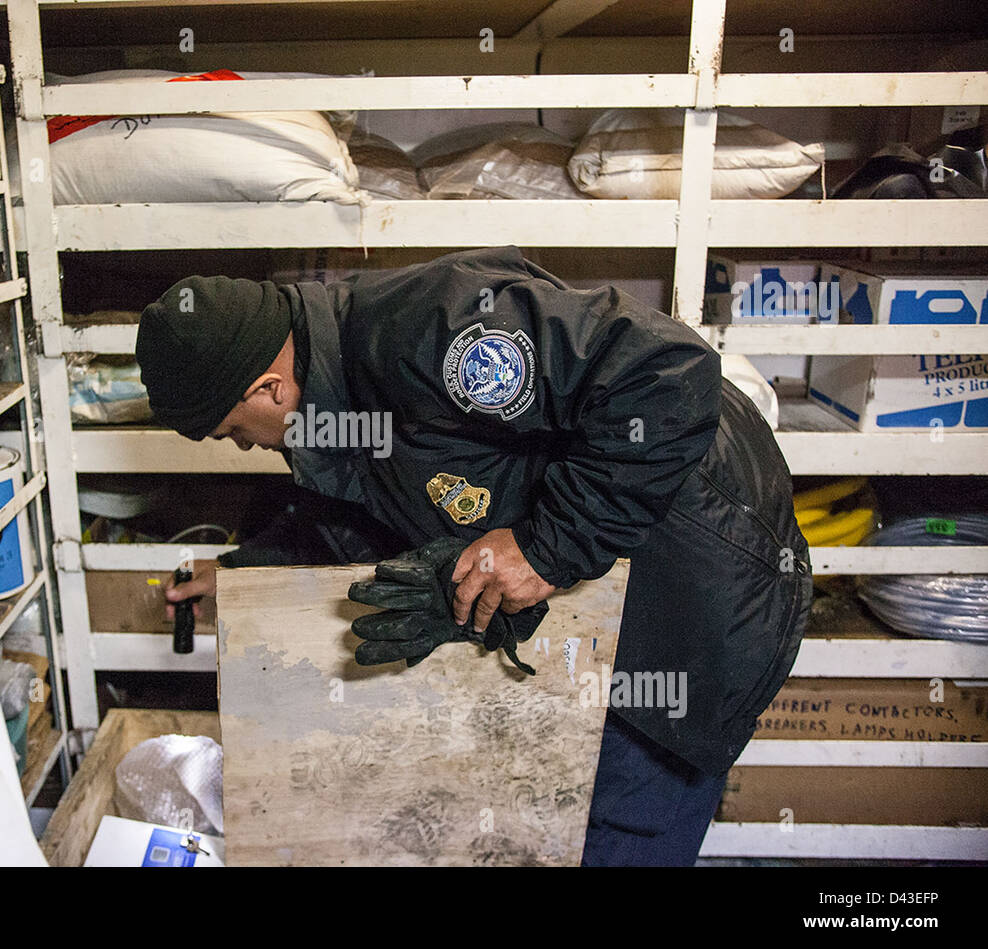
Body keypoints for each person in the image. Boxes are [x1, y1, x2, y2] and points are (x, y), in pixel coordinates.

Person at [135, 246, 813, 866]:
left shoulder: (427, 327)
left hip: (691, 581)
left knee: (614, 826)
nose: (245, 447)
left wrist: (548, 546)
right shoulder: (327, 378)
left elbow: (668, 373)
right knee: (531, 821)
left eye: (233, 432)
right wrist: (255, 573)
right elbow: (372, 505)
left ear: (267, 389)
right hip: (593, 599)